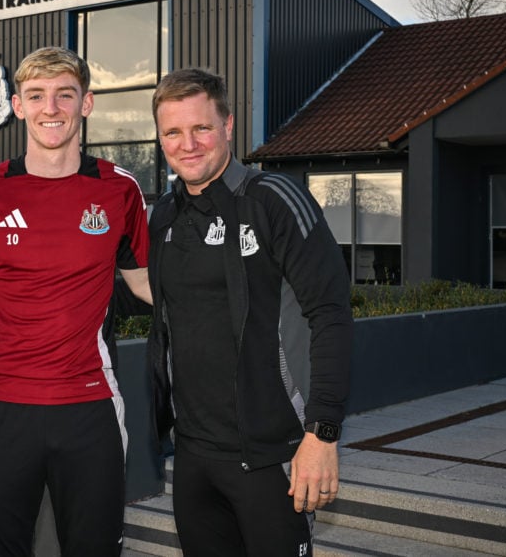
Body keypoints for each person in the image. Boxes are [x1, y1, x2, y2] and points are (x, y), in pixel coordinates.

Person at [0, 46, 153, 556]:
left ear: (87, 104)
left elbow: (150, 288)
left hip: (89, 407)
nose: (51, 108)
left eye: (65, 94)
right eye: (36, 95)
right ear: (17, 106)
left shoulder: (121, 191)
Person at [147, 68, 353, 556]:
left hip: (271, 457)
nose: (188, 143)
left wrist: (321, 433)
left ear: (229, 125)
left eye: (201, 127)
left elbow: (331, 314)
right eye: (173, 132)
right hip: (193, 459)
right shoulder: (163, 217)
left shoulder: (274, 200)